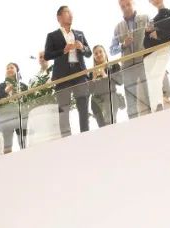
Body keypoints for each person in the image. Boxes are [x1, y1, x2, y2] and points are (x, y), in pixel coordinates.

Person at [45, 6, 94, 137]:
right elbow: (47, 55)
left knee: (83, 107)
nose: (71, 15)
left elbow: (89, 53)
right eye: (67, 13)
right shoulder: (52, 36)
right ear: (59, 17)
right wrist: (63, 51)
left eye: (71, 13)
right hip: (62, 76)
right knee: (63, 110)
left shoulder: (80, 33)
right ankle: (66, 139)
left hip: (79, 73)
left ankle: (86, 136)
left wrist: (82, 47)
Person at [111, 0, 151, 119]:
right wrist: (123, 44)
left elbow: (154, 37)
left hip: (144, 63)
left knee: (149, 95)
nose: (126, 8)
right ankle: (134, 126)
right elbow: (112, 50)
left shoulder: (145, 18)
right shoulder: (118, 27)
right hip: (127, 68)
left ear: (133, 3)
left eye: (128, 4)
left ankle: (155, 123)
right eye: (122, 6)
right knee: (131, 101)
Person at [0, 63, 30, 154]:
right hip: (6, 116)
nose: (9, 69)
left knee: (23, 141)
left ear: (17, 71)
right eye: (7, 68)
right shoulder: (1, 86)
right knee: (7, 143)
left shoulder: (23, 86)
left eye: (11, 68)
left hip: (21, 115)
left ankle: (26, 157)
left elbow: (28, 100)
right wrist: (5, 91)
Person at [88, 45, 124, 127]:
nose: (98, 54)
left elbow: (121, 81)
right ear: (94, 57)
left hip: (111, 99)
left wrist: (105, 75)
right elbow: (89, 91)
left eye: (100, 52)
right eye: (96, 53)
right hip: (97, 102)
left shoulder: (114, 65)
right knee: (102, 127)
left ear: (105, 53)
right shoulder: (91, 72)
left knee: (111, 125)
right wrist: (93, 78)